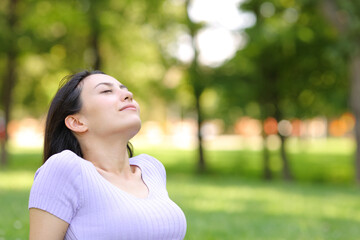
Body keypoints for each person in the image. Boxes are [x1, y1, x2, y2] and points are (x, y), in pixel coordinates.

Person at [28, 70, 187, 239]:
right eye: (106, 91)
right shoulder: (65, 169)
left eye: (124, 89)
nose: (128, 94)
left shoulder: (151, 169)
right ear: (77, 122)